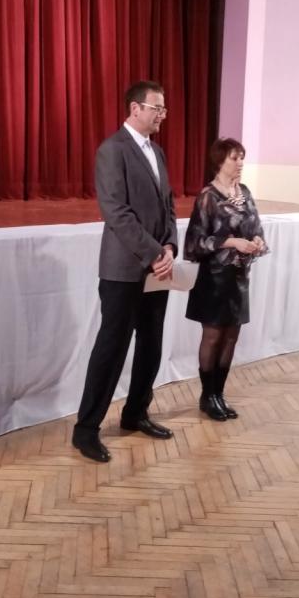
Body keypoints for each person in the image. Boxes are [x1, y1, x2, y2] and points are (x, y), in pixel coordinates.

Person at [73, 81, 178, 462]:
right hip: (123, 270)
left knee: (151, 345)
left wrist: (170, 247)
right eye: (157, 108)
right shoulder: (112, 150)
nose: (162, 114)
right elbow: (116, 212)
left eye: (163, 109)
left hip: (157, 268)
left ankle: (135, 413)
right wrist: (154, 252)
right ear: (135, 108)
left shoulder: (157, 152)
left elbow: (168, 207)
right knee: (112, 349)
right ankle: (86, 430)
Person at [183, 138, 268, 421]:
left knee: (231, 336)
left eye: (242, 157)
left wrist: (257, 241)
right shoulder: (208, 196)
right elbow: (194, 243)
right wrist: (231, 242)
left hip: (239, 277)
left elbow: (256, 228)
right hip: (214, 279)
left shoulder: (245, 192)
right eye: (234, 157)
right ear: (220, 161)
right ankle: (207, 396)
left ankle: (219, 394)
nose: (240, 163)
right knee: (213, 336)